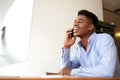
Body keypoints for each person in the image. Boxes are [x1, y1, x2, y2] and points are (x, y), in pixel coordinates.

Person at [59, 10, 120, 77]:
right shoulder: (79, 49)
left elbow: (107, 71)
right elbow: (66, 70)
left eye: (80, 21)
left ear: (90, 27)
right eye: (75, 21)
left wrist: (72, 72)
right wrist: (66, 47)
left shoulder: (104, 39)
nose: (75, 24)